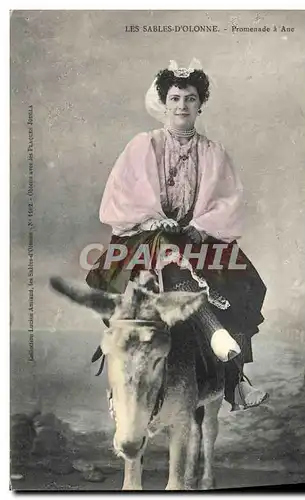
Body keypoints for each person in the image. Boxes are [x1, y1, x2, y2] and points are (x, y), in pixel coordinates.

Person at [86, 60, 268, 411]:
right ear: (164, 103)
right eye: (174, 98)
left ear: (200, 104)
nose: (182, 106)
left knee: (245, 284)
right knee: (159, 261)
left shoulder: (214, 154)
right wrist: (153, 219)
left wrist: (200, 226)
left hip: (199, 239)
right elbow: (121, 196)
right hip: (146, 239)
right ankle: (212, 339)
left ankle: (235, 382)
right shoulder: (143, 146)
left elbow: (229, 203)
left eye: (190, 98)